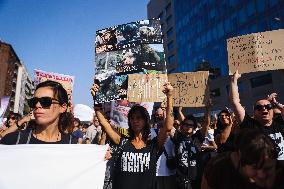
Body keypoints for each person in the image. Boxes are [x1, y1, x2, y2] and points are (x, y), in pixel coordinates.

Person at [90, 81, 174, 189]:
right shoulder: (122, 141)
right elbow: (104, 123)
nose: (135, 121)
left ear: (145, 120)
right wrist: (96, 99)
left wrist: (170, 96)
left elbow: (168, 127)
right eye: (132, 118)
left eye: (139, 118)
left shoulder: (153, 145)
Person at [230, 70, 284, 162]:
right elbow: (235, 102)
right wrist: (234, 80)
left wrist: (276, 103)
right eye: (259, 107)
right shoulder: (250, 126)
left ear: (272, 110)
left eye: (268, 106)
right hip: (262, 173)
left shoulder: (280, 124)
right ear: (254, 113)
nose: (264, 109)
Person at [201, 129, 284, 189]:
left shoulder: (280, 172)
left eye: (267, 168)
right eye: (255, 167)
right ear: (240, 159)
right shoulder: (218, 167)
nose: (262, 174)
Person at [0, 80, 77, 144]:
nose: (37, 105)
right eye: (34, 101)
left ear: (63, 107)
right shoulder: (13, 140)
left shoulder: (72, 144)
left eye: (45, 101)